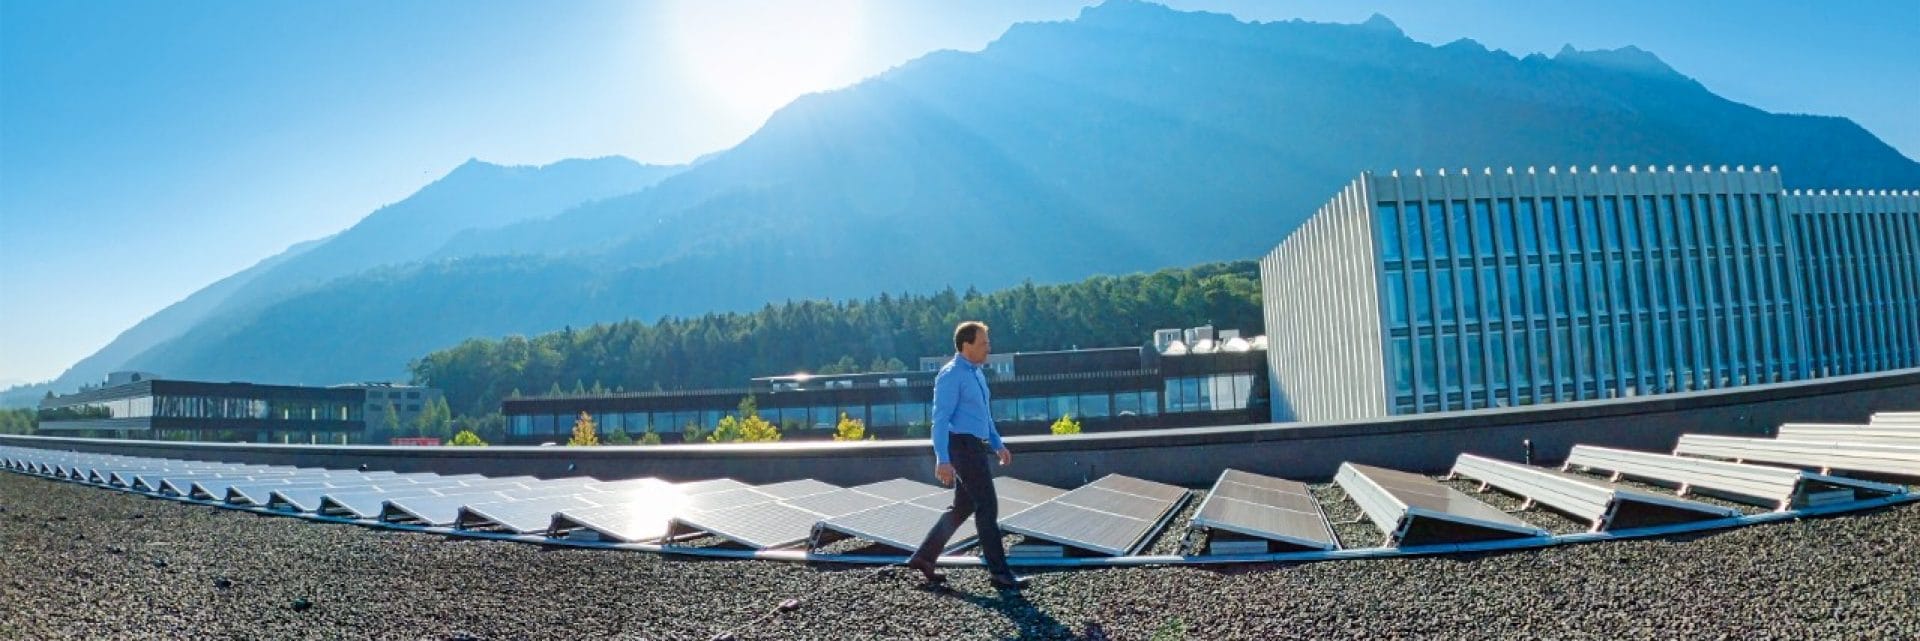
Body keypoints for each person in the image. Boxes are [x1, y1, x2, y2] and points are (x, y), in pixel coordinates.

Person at [904, 320, 1030, 590]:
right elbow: (940, 419)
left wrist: (997, 444)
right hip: (961, 447)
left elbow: (983, 415)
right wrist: (942, 459)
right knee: (987, 506)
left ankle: (924, 557)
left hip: (974, 446)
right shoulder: (950, 375)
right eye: (983, 343)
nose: (988, 348)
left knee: (964, 506)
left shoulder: (977, 374)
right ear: (966, 345)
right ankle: (999, 573)